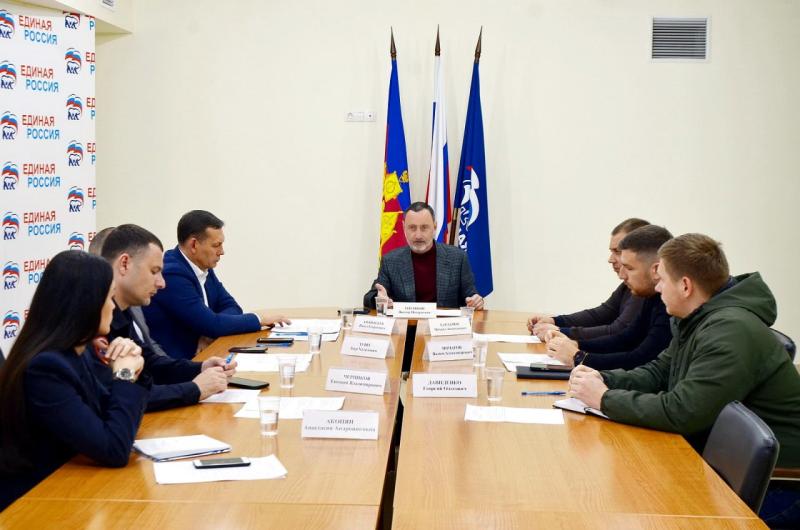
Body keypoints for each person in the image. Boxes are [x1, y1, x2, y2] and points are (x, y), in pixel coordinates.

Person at [569, 234, 800, 526]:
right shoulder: (696, 318)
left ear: (685, 286)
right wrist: (602, 378)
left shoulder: (730, 330)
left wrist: (604, 398)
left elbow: (683, 412)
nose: (657, 288)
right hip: (723, 465)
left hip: (778, 485)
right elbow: (658, 372)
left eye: (662, 280)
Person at [0, 250, 149, 511]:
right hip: (34, 504)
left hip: (71, 487)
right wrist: (124, 375)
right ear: (87, 304)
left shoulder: (79, 353)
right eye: (109, 297)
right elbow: (113, 448)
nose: (113, 306)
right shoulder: (46, 369)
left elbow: (111, 419)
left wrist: (130, 365)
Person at [98, 224, 235, 409]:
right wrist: (195, 388)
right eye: (154, 271)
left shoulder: (123, 311)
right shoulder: (95, 322)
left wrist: (200, 368)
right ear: (124, 264)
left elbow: (149, 363)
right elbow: (119, 398)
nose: (162, 283)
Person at [143, 210, 289, 359]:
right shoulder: (172, 274)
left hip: (205, 356)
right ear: (194, 245)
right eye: (216, 245)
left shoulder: (202, 266)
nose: (222, 252)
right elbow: (213, 324)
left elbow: (232, 306)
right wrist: (259, 319)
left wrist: (211, 329)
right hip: (179, 364)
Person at [545, 225, 673, 370]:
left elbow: (641, 359)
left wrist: (579, 357)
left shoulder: (669, 306)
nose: (622, 275)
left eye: (629, 268)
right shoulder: (652, 296)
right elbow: (625, 339)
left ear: (656, 269)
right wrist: (576, 344)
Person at [528, 218, 649, 340]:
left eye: (617, 252)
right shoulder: (627, 286)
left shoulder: (644, 290)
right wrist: (555, 321)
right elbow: (601, 314)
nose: (610, 259)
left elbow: (617, 331)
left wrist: (559, 332)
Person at [363, 202, 484, 309]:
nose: (418, 235)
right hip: (406, 326)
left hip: (443, 325)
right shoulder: (390, 261)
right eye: (412, 228)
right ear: (404, 227)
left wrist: (475, 301)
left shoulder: (458, 258)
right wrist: (378, 299)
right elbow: (370, 297)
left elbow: (471, 295)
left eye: (424, 227)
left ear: (435, 227)